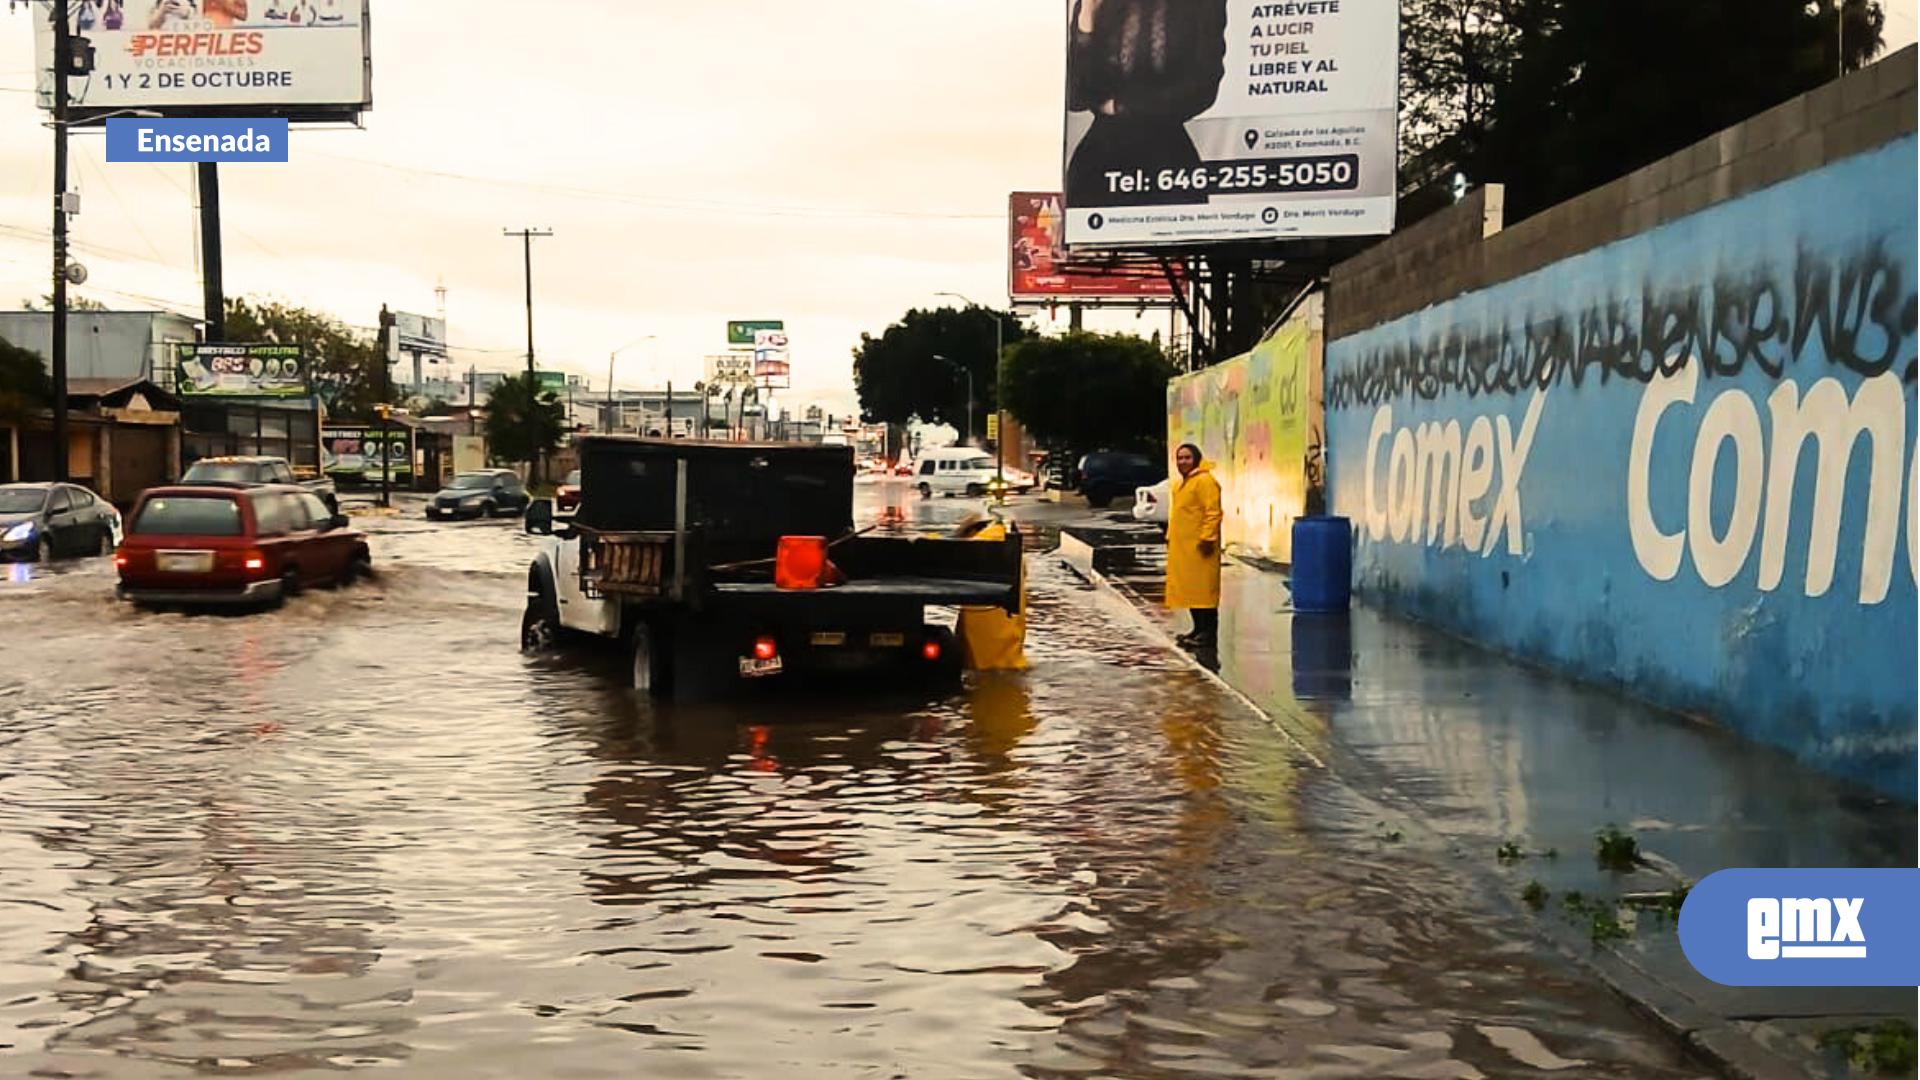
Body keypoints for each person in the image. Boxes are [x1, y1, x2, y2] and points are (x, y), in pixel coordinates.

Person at [1066, 0, 1229, 209]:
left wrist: (1122, 106)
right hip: (1100, 161)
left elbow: (1203, 87)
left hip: (1169, 163)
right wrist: (1086, 20)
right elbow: (1076, 97)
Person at [1166, 443, 1222, 648]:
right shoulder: (1183, 483)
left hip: (1201, 547)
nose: (1183, 462)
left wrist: (1207, 538)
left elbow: (1213, 512)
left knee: (1204, 593)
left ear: (1196, 459)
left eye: (1187, 458)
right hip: (1184, 548)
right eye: (1179, 458)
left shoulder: (1205, 481)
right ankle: (1197, 629)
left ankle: (1208, 633)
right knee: (1190, 592)